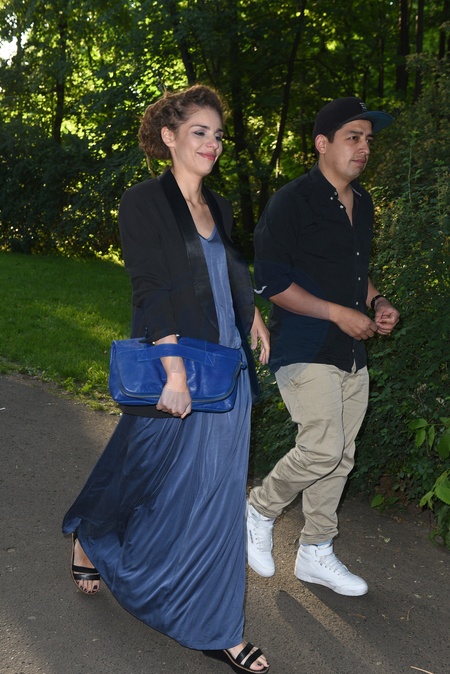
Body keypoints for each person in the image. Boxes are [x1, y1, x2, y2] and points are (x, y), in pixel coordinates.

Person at [62, 84, 271, 674]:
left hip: (226, 367)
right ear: (169, 136)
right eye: (200, 132)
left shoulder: (218, 206)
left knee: (216, 494)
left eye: (218, 135)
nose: (213, 144)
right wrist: (174, 372)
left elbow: (229, 269)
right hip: (176, 362)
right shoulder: (144, 202)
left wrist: (253, 316)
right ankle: (94, 536)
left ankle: (215, 625)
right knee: (143, 465)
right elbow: (150, 289)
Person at [247, 96, 400, 596]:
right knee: (321, 449)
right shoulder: (293, 200)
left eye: (368, 140)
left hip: (351, 351)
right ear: (322, 143)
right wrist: (337, 313)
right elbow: (271, 282)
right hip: (304, 346)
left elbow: (354, 273)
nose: (364, 148)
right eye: (353, 137)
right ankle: (259, 509)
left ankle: (315, 550)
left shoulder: (364, 203)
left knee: (342, 456)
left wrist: (377, 302)